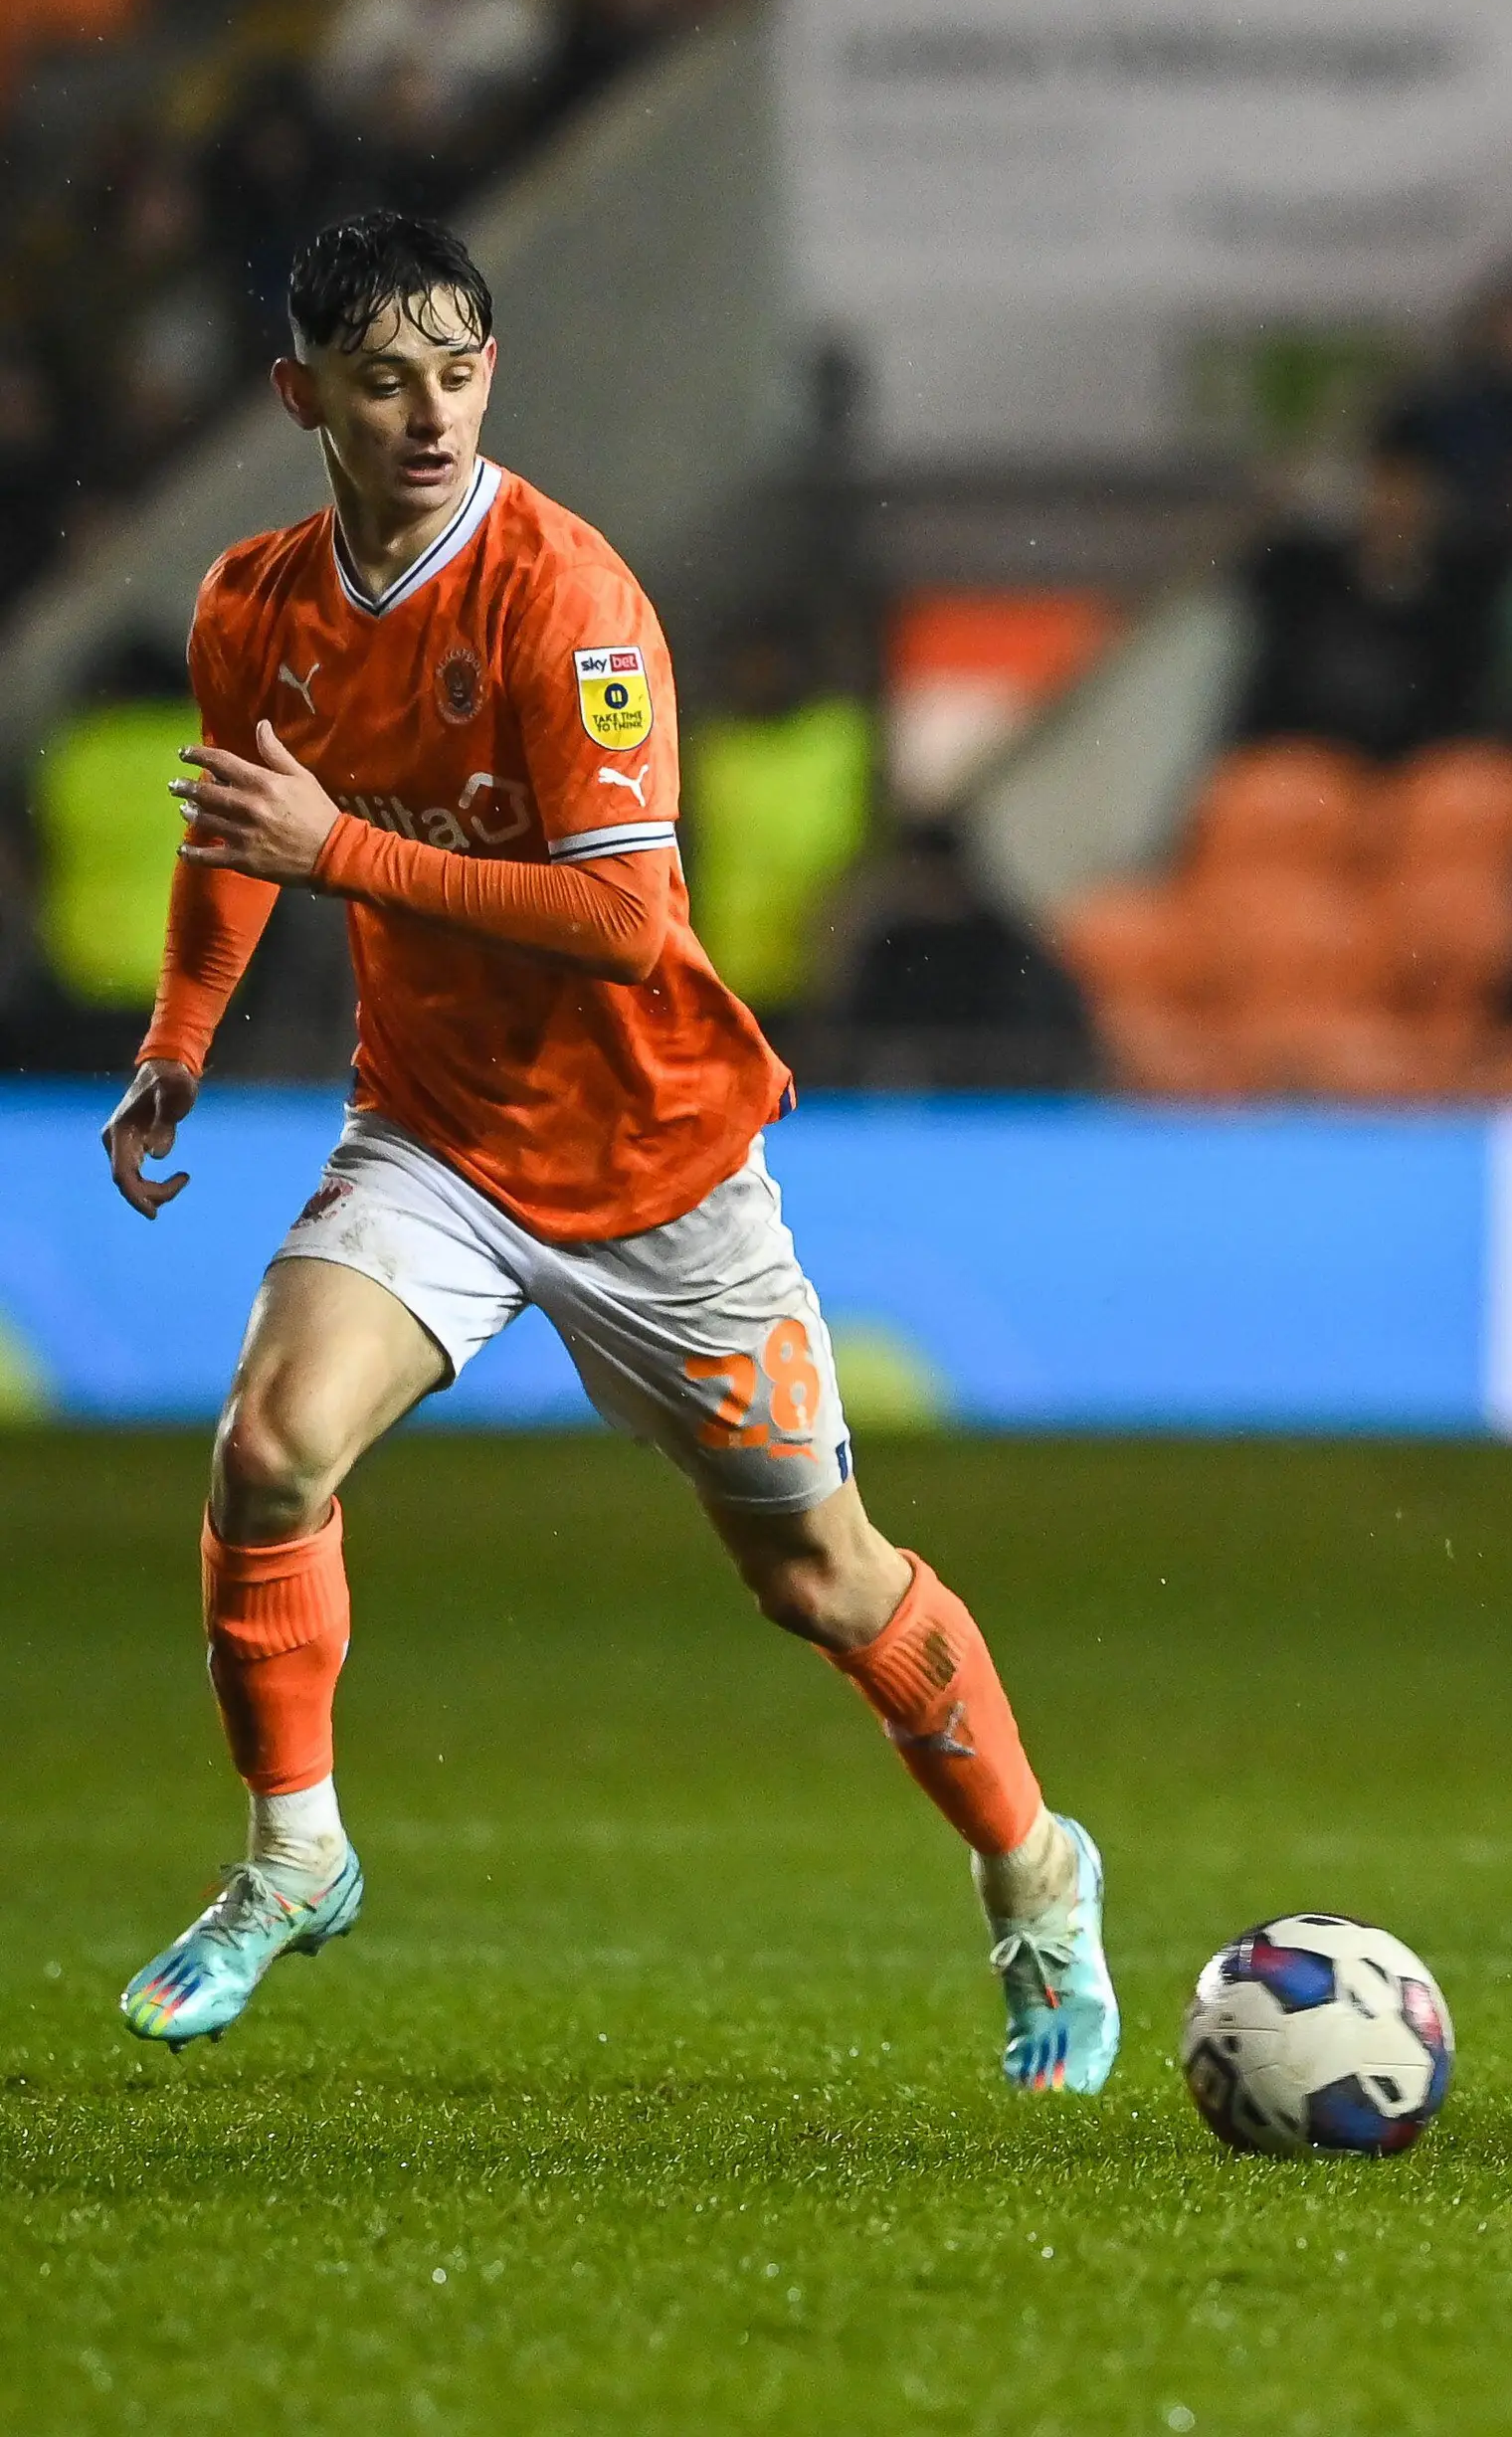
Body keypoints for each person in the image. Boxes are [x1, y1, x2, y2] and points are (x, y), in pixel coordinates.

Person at [99, 212, 1117, 2091]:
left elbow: (633, 925)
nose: (429, 414)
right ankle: (294, 1854)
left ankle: (1038, 1877)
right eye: (385, 378)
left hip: (658, 1167)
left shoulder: (565, 598)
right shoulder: (252, 604)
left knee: (820, 1579)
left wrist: (348, 856)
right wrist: (178, 1044)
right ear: (299, 393)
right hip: (432, 1135)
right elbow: (242, 832)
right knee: (267, 1446)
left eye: (460, 371)